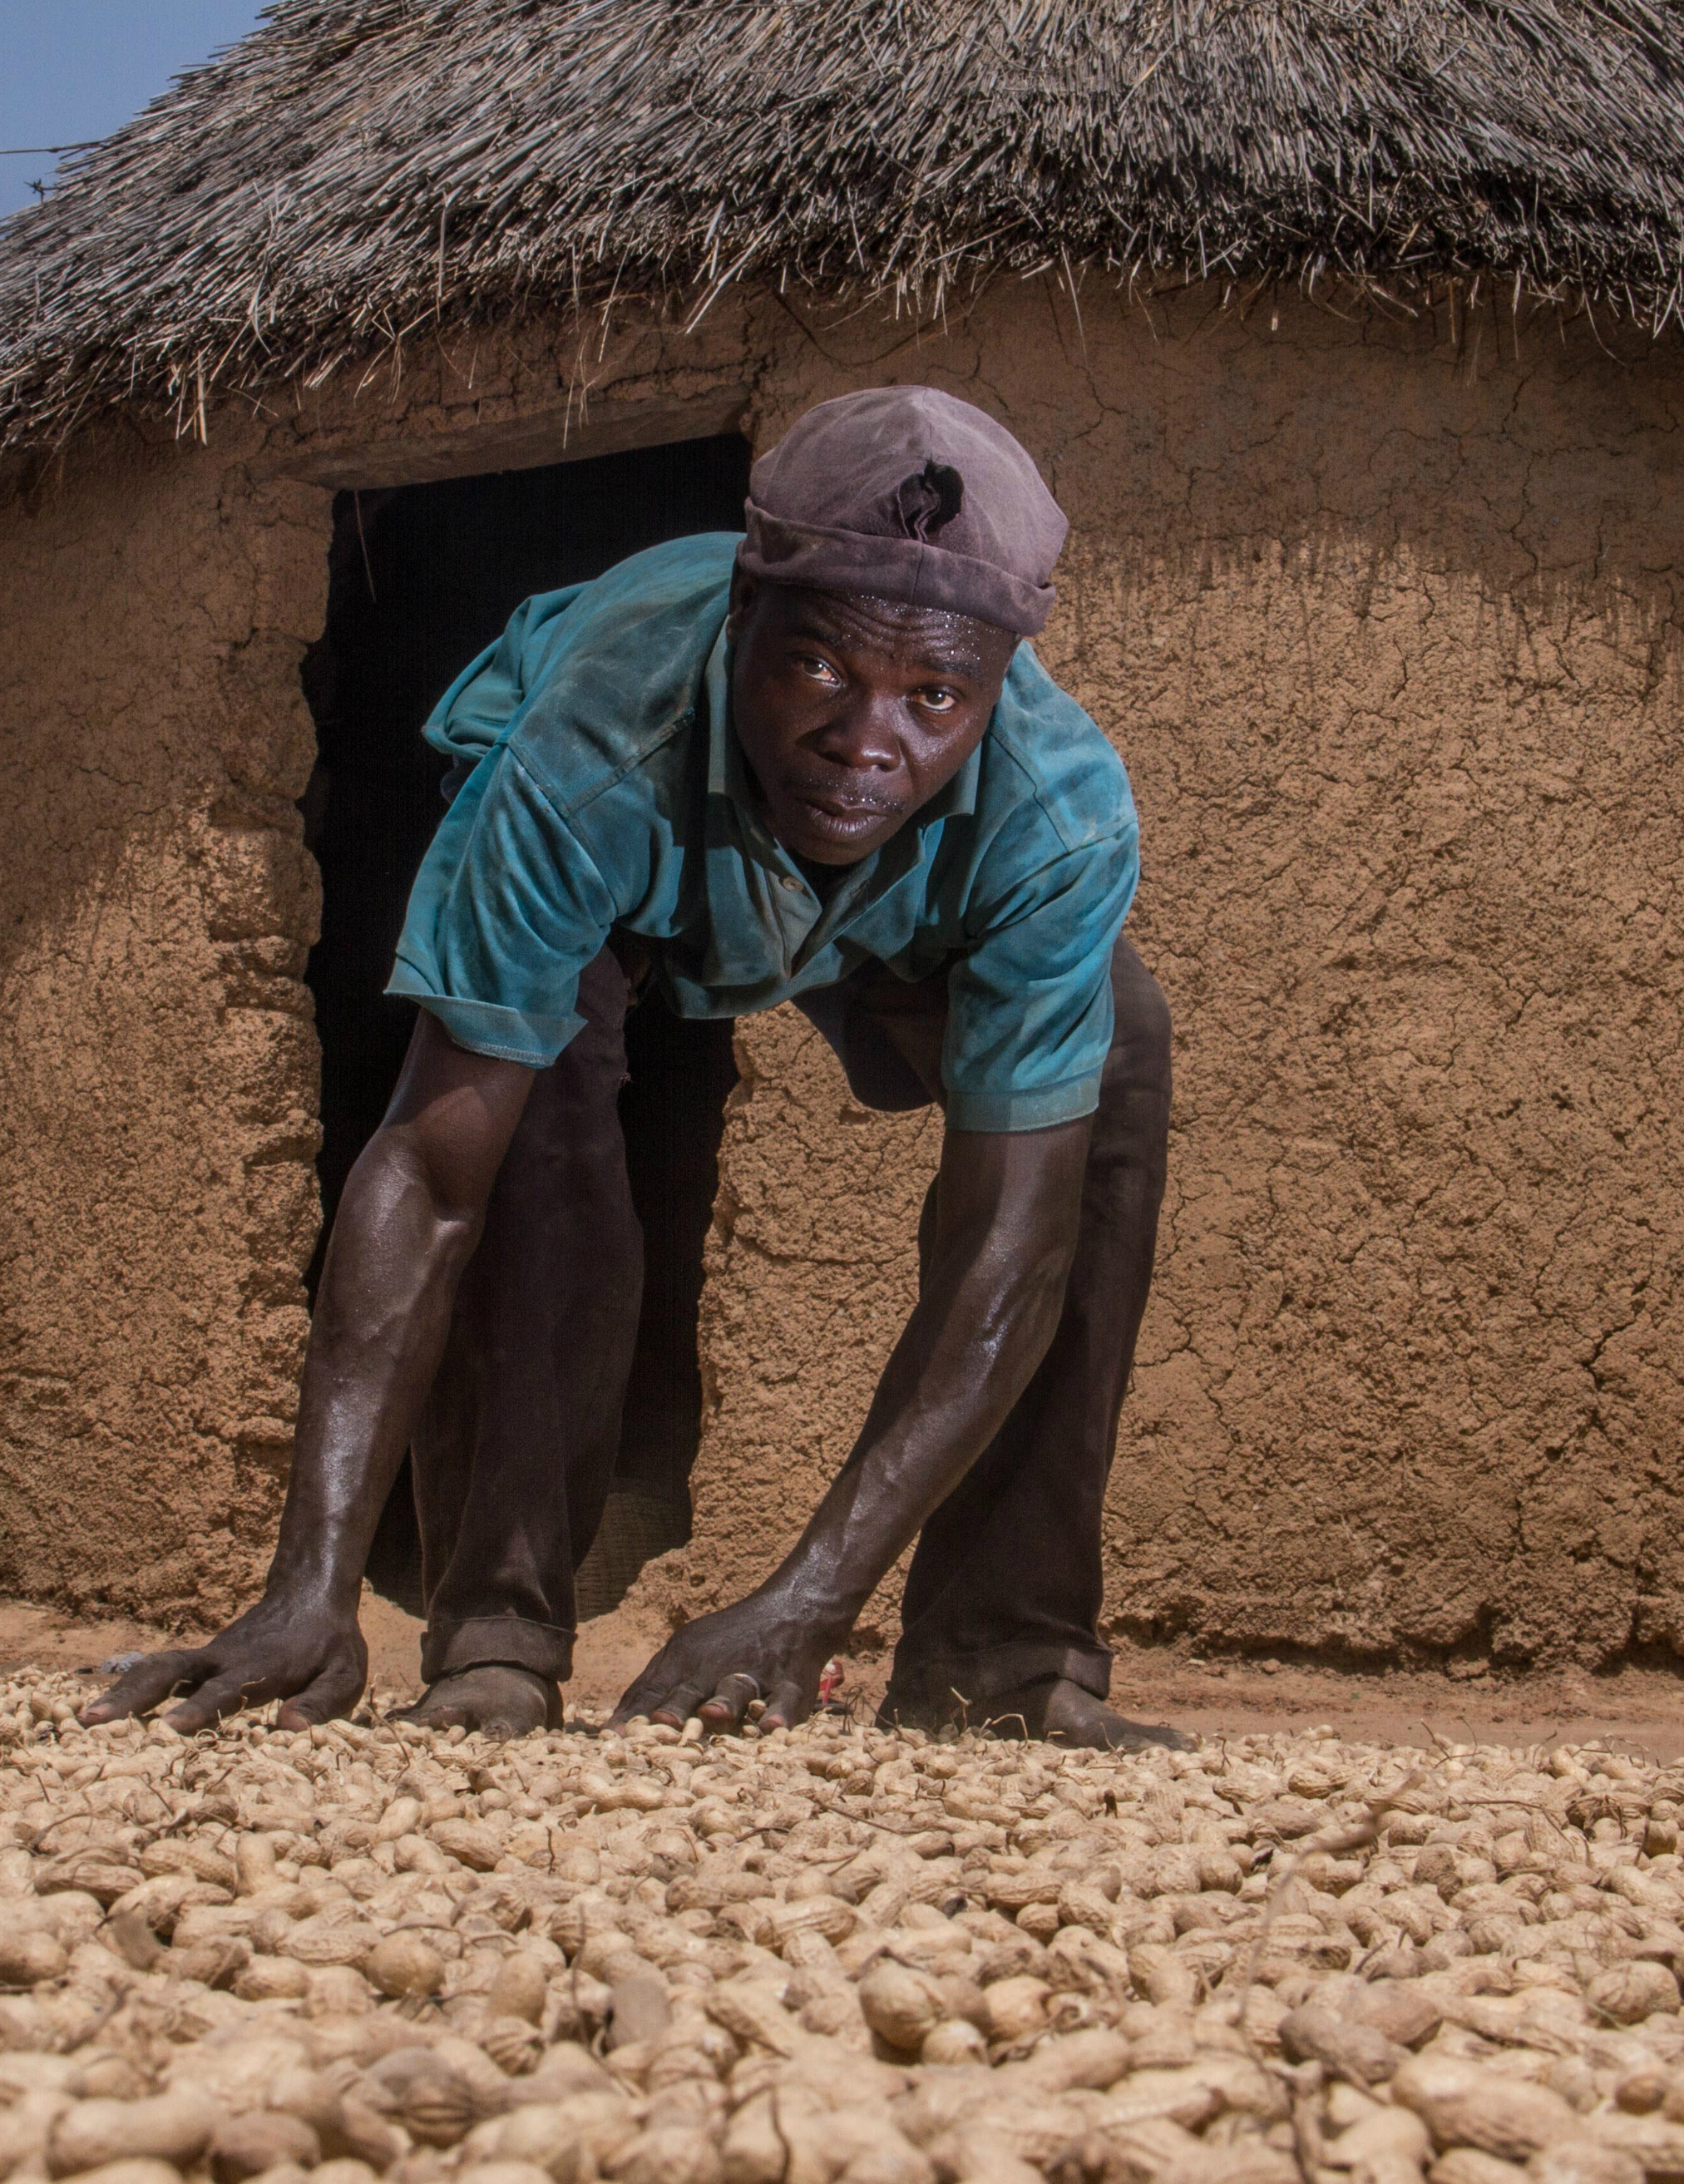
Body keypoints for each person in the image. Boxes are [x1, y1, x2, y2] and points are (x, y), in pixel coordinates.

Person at [83, 387, 1187, 1749]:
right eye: (818, 668)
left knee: (1110, 1071)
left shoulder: (1055, 817)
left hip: (900, 922)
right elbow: (428, 1174)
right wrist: (303, 1588)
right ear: (742, 618)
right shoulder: (588, 749)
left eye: (934, 696)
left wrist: (805, 1605)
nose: (866, 739)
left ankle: (999, 1656)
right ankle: (492, 1634)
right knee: (524, 1106)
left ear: (995, 688)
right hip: (622, 850)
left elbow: (1002, 1254)